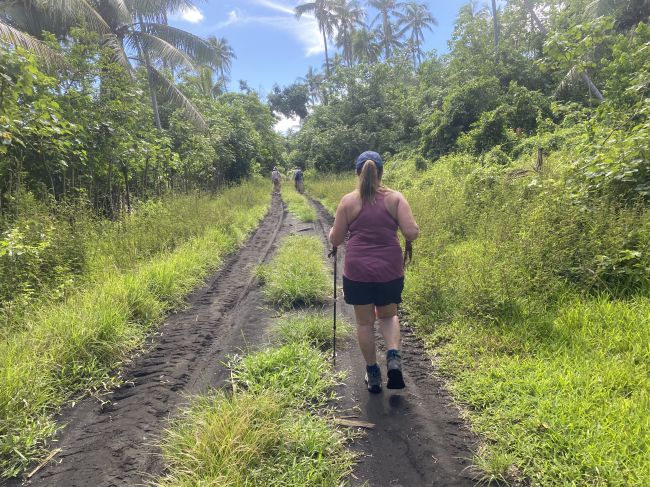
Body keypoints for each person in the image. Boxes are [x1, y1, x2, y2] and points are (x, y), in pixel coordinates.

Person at [329, 151, 419, 393]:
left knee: (364, 323)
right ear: (381, 172)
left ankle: (373, 373)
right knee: (388, 316)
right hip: (389, 270)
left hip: (358, 271)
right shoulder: (395, 198)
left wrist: (332, 233)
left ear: (358, 173)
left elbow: (336, 238)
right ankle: (393, 357)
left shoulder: (348, 201)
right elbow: (411, 233)